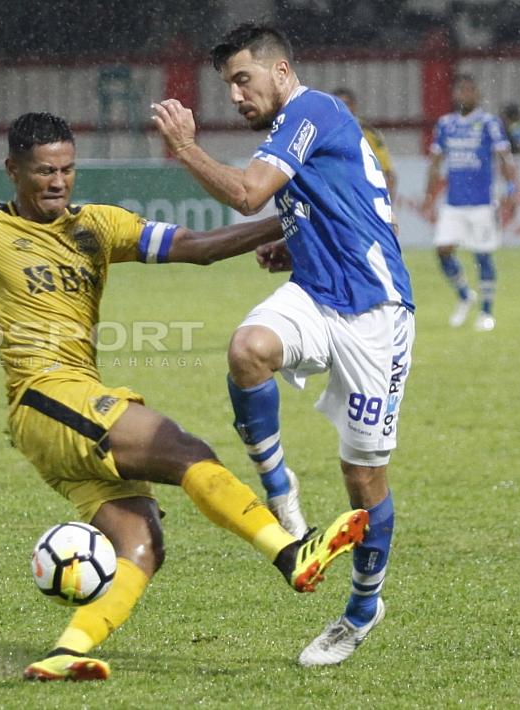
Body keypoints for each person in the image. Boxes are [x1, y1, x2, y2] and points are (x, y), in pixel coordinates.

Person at [0, 111, 369, 681]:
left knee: (141, 545)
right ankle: (291, 555)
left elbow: (202, 246)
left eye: (66, 169)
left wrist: (290, 224)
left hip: (68, 413)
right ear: (14, 170)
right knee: (186, 450)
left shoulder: (98, 225)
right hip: (43, 399)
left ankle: (66, 652)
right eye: (44, 171)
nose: (58, 182)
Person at [151, 22, 414, 667]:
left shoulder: (312, 109)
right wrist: (294, 241)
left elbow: (246, 195)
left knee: (364, 477)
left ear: (282, 72)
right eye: (228, 86)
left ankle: (362, 606)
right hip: (315, 294)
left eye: (244, 79)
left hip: (376, 317)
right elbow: (342, 203)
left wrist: (186, 148)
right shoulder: (296, 126)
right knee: (248, 349)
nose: (236, 95)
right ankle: (279, 489)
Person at [422, 74, 520, 332]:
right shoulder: (445, 124)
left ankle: (486, 313)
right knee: (442, 249)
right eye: (461, 90)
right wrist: (429, 196)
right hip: (453, 203)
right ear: (455, 94)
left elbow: (505, 157)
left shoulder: (488, 123)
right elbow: (435, 163)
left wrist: (512, 188)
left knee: (482, 254)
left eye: (469, 90)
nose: (464, 95)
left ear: (477, 95)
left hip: (481, 203)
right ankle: (466, 295)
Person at [333, 87, 398, 202]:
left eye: (346, 103)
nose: (342, 107)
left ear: (354, 106)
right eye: (338, 103)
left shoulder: (368, 133)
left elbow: (388, 173)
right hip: (333, 196)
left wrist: (388, 206)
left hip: (362, 198)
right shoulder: (319, 132)